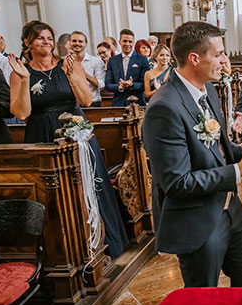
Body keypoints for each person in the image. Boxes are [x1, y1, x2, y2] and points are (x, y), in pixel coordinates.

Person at [143, 21, 242, 287]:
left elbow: (220, 149)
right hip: (198, 222)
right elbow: (177, 183)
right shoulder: (164, 108)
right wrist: (240, 171)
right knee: (204, 302)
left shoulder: (209, 91)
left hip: (232, 210)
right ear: (194, 59)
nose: (225, 60)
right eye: (219, 54)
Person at [8, 21, 130, 258]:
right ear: (27, 42)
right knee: (54, 192)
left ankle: (104, 241)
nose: (46, 42)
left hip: (76, 131)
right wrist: (24, 80)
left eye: (49, 38)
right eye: (40, 38)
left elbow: (85, 100)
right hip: (43, 134)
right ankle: (65, 249)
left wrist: (72, 77)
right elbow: (21, 113)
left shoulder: (69, 65)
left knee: (90, 183)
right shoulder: (20, 71)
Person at [104, 28, 151, 106]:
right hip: (119, 102)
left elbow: (145, 84)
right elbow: (108, 84)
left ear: (133, 43)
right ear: (120, 42)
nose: (127, 44)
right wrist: (119, 87)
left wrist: (132, 85)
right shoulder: (112, 61)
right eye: (125, 41)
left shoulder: (142, 60)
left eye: (130, 41)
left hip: (137, 102)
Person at [67, 31, 106, 106]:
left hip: (93, 103)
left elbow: (101, 85)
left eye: (80, 41)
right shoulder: (64, 62)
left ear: (86, 44)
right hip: (72, 104)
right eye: (74, 41)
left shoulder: (96, 61)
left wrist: (84, 74)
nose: (77, 43)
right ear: (69, 43)